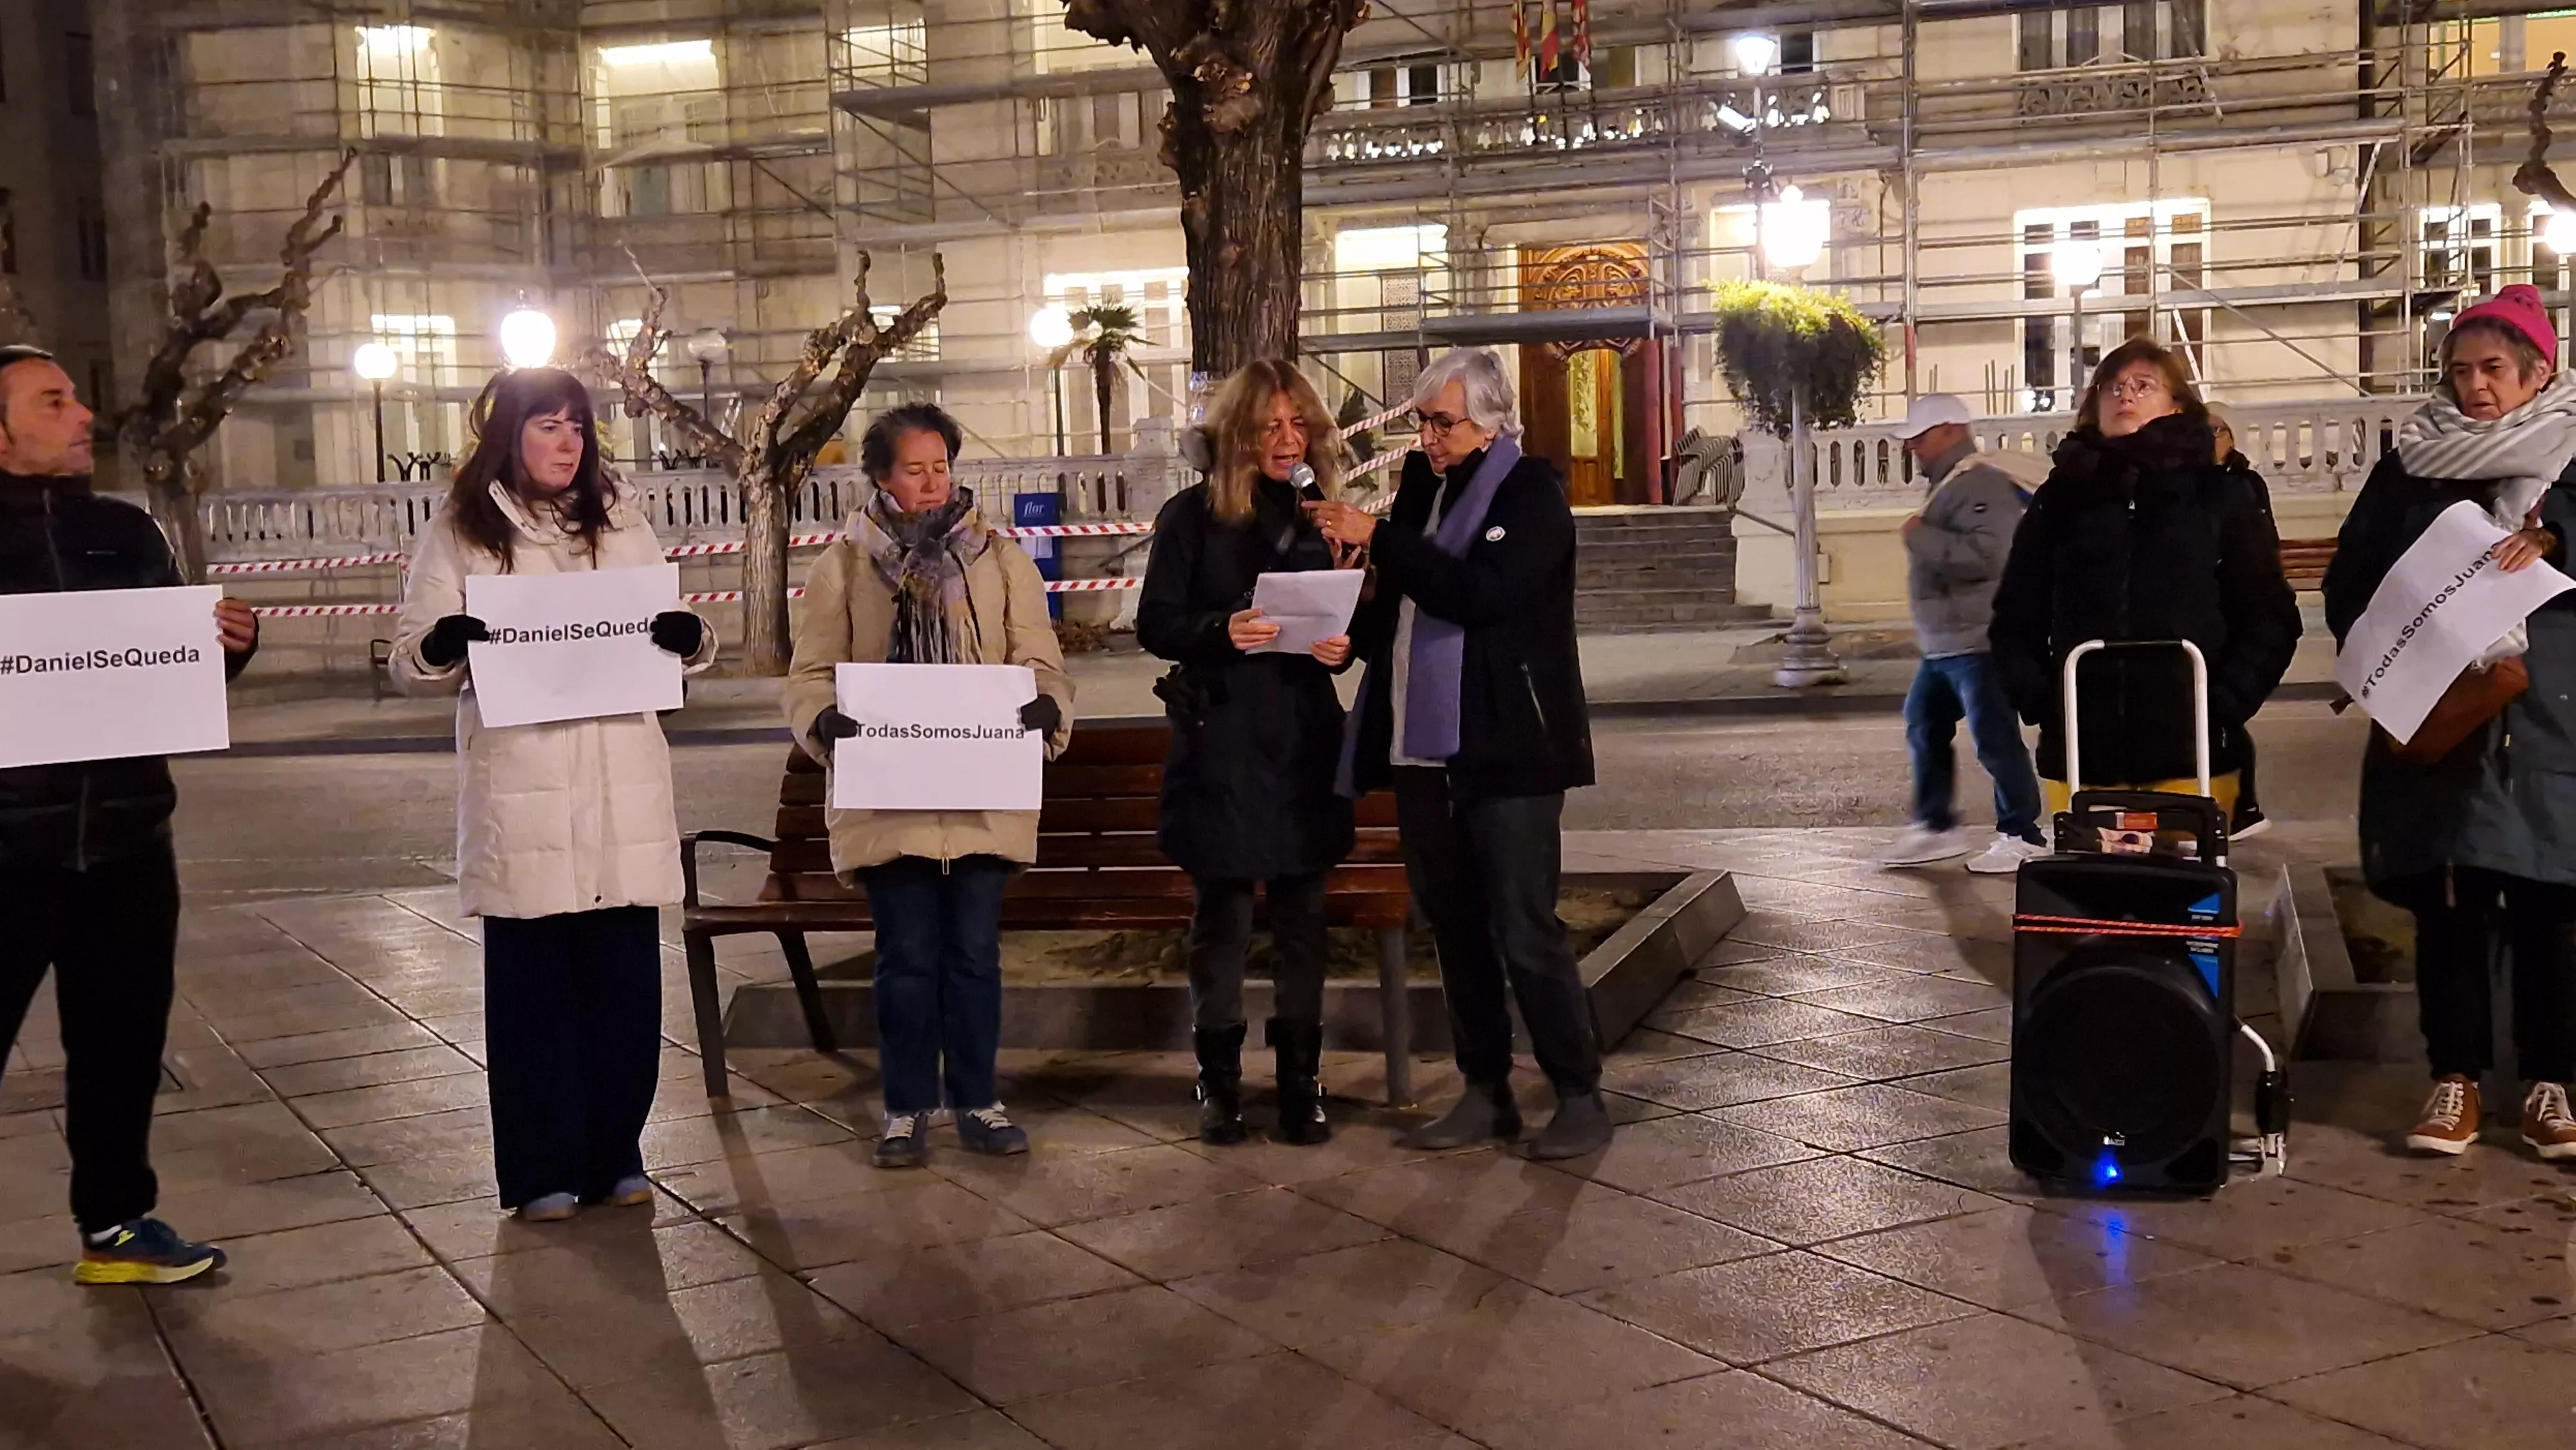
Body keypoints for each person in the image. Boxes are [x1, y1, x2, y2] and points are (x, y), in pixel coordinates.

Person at [394, 368, 714, 1223]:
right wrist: (442, 643)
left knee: (623, 989)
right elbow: (407, 654)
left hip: (620, 786)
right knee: (534, 997)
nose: (566, 442)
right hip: (525, 789)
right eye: (546, 425)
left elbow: (671, 627)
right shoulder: (463, 530)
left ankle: (616, 1152)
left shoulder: (622, 517)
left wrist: (691, 640)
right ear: (509, 435)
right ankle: (540, 1169)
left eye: (577, 425)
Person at [1307, 348, 1611, 1161]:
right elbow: (1411, 603)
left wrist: (1382, 538)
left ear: (1489, 418)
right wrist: (1355, 626)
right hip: (1422, 749)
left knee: (1522, 923)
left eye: (1442, 421)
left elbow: (1481, 594)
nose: (1428, 436)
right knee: (1454, 927)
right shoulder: (1421, 485)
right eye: (1421, 420)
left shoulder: (1532, 493)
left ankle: (1578, 1091)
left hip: (1508, 745)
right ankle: (1485, 1090)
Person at [0, 345, 260, 1283]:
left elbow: (169, 677)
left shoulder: (126, 530)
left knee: (119, 1041)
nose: (83, 416)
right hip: (8, 849)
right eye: (54, 401)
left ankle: (116, 1226)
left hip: (127, 841)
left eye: (77, 397)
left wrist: (227, 648)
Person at [2322, 285, 2576, 1160]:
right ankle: (2455, 1081)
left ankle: (2551, 1085)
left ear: (2537, 372)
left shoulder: (2573, 455)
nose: (2477, 386)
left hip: (2550, 719)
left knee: (2550, 903)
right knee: (2450, 903)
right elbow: (2353, 577)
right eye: (2461, 370)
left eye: (2495, 369)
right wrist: (2380, 640)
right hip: (2443, 715)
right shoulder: (2412, 463)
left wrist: (2560, 543)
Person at [784, 402, 1073, 1169]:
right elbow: (810, 672)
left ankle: (980, 1099)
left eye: (941, 465)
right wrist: (822, 720)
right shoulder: (842, 566)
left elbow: (1038, 655)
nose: (933, 481)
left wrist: (1046, 704)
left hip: (981, 793)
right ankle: (906, 1108)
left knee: (974, 953)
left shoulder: (1000, 557)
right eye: (915, 468)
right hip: (891, 796)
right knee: (907, 956)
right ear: (881, 476)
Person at [1139, 361, 1358, 1146]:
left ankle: (1302, 1082)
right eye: (1270, 426)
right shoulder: (1190, 517)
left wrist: (1341, 645)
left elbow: (1353, 622)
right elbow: (1157, 622)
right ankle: (1219, 1081)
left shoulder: (1323, 517)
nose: (1286, 439)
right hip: (1223, 740)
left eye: (1299, 425)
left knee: (1304, 919)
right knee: (1222, 918)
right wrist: (1221, 629)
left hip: (1301, 736)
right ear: (1235, 434)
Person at [1989, 338, 2300, 824]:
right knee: (2088, 893)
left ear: (2177, 403)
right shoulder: (2060, 499)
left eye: (2143, 385)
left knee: (2185, 894)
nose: (2124, 396)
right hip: (2079, 754)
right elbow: (2016, 614)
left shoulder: (2219, 495)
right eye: (2111, 387)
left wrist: (2223, 703)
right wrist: (2045, 702)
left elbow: (2268, 613)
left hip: (2193, 754)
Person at [1878, 393, 2047, 874]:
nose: (1912, 446)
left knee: (1994, 738)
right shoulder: (1952, 483)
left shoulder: (1980, 484)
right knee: (1924, 724)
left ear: (1951, 429)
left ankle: (2023, 834)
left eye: (1920, 436)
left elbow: (1988, 556)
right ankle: (1937, 827)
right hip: (1946, 642)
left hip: (1978, 639)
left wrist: (1919, 535)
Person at [2206, 402, 2274, 840]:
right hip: (2208, 608)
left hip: (2233, 609)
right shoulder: (2195, 483)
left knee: (2223, 711)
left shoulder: (2243, 484)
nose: (2208, 439)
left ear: (2232, 436)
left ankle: (2243, 805)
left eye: (2215, 430)